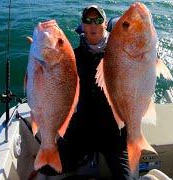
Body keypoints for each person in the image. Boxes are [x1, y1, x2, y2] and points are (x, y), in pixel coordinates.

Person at [38, 5, 132, 180]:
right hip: (82, 129)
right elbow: (55, 84)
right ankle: (82, 156)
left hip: (114, 133)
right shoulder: (71, 57)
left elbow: (139, 64)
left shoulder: (118, 54)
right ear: (83, 26)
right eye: (88, 21)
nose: (93, 25)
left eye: (98, 20)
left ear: (105, 24)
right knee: (46, 168)